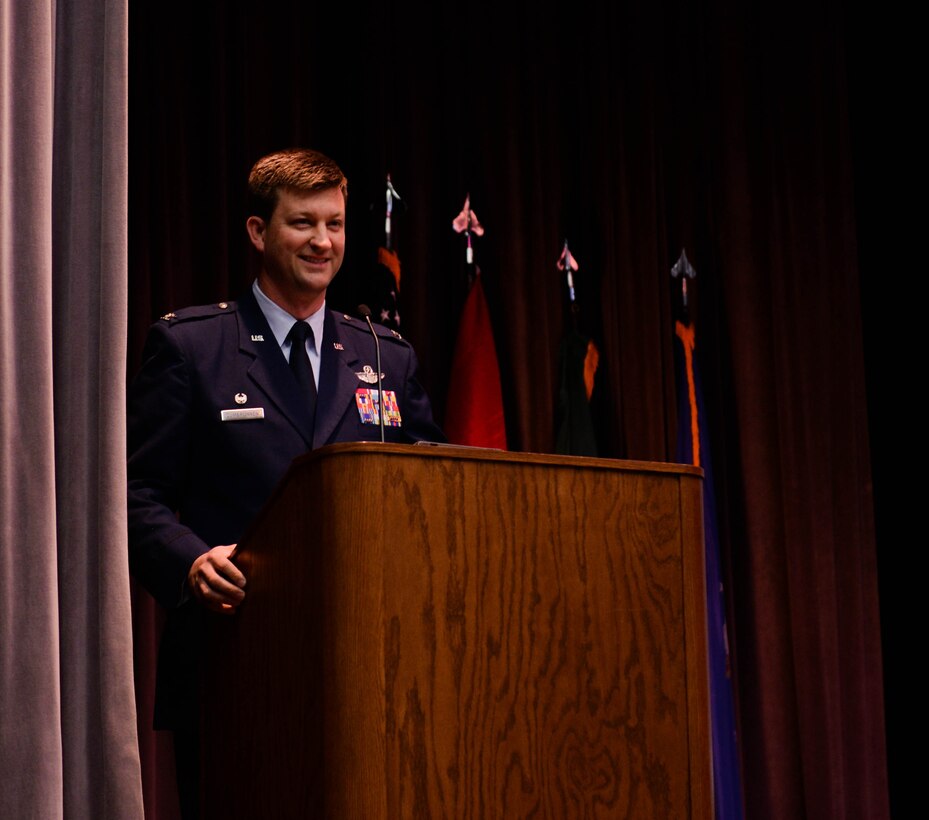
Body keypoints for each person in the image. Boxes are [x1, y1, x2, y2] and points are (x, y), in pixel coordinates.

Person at [127, 147, 445, 818]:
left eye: (334, 224)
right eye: (302, 223)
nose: (323, 242)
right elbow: (137, 497)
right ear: (257, 231)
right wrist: (189, 563)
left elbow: (433, 497)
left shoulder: (385, 354)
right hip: (235, 664)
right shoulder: (191, 347)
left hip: (370, 673)